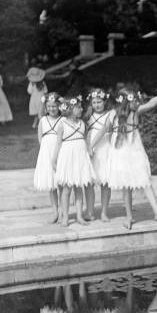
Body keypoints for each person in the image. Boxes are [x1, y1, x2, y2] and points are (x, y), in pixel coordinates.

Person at [106, 88, 157, 230]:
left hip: (135, 150)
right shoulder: (113, 114)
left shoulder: (136, 111)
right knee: (126, 186)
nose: (137, 102)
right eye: (134, 100)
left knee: (145, 181)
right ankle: (129, 216)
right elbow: (107, 130)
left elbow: (151, 104)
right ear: (126, 102)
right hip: (121, 151)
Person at [51, 95, 96, 226]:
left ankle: (79, 216)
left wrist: (89, 151)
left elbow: (86, 141)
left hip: (80, 156)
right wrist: (54, 159)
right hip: (67, 156)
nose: (81, 109)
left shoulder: (82, 123)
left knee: (78, 188)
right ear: (70, 109)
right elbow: (58, 143)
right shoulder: (62, 124)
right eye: (78, 107)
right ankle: (65, 217)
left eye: (81, 107)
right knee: (66, 189)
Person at [84, 89, 113, 222]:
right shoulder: (88, 116)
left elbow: (104, 130)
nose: (97, 105)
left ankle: (104, 212)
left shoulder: (110, 114)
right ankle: (90, 211)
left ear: (104, 102)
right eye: (94, 102)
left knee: (104, 182)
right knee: (89, 182)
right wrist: (87, 147)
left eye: (99, 102)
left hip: (104, 148)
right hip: (90, 149)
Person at [34, 93, 63, 223]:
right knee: (51, 185)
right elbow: (40, 137)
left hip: (60, 152)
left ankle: (63, 211)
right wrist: (45, 150)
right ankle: (55, 212)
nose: (52, 109)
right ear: (46, 107)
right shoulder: (43, 120)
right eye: (49, 106)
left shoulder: (63, 120)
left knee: (61, 183)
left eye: (55, 106)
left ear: (59, 106)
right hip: (46, 153)